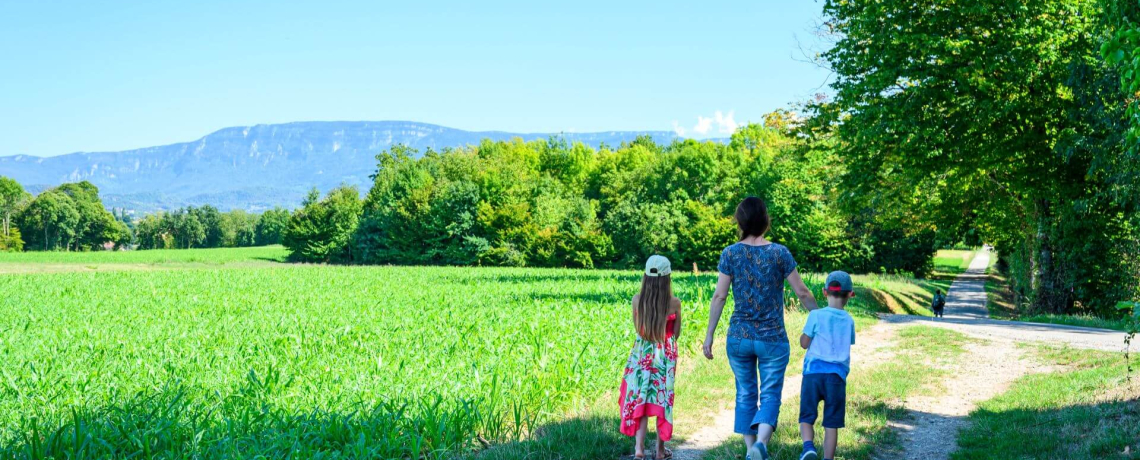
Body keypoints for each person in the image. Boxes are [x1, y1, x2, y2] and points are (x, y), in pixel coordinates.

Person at [702, 197, 819, 460]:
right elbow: (801, 291)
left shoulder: (730, 253)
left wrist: (709, 334)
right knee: (770, 394)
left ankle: (750, 450)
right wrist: (820, 316)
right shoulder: (780, 253)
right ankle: (761, 445)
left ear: (740, 222)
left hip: (739, 338)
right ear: (766, 221)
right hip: (773, 339)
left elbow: (719, 296)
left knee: (745, 392)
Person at [620, 255, 682, 460]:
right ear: (668, 278)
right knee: (662, 401)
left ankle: (639, 449)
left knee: (642, 399)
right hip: (664, 359)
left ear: (646, 276)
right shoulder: (674, 303)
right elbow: (676, 333)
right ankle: (660, 451)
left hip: (642, 357)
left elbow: (638, 329)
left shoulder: (637, 300)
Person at [797, 271, 857, 460]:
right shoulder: (849, 320)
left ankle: (808, 447)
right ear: (850, 294)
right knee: (832, 423)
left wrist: (804, 337)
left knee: (806, 416)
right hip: (836, 377)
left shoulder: (815, 315)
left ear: (824, 292)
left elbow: (804, 343)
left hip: (813, 374)